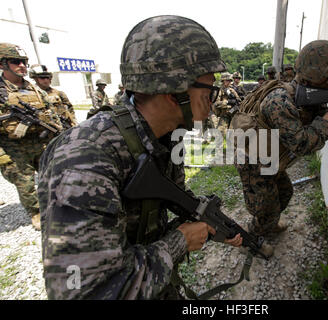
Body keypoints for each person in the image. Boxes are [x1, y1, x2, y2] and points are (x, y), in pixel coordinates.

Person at [38, 15, 242, 300]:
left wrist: (203, 222)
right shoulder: (84, 157)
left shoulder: (167, 136)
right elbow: (88, 293)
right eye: (209, 89)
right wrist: (179, 242)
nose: (214, 99)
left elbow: (153, 214)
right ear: (175, 92)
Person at [231, 40, 328, 255]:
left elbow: (324, 123)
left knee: (285, 192)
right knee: (266, 208)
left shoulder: (306, 97)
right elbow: (302, 144)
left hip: (271, 157)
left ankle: (269, 223)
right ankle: (250, 239)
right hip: (254, 161)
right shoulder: (281, 101)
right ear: (315, 73)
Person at [0, 43, 62, 231]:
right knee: (24, 181)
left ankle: (58, 205)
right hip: (14, 146)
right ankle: (36, 213)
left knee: (52, 175)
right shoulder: (2, 92)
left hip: (41, 141)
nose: (22, 66)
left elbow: (51, 112)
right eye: (16, 62)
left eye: (24, 62)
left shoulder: (35, 90)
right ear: (2, 64)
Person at [29, 64, 77, 129]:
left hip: (63, 127)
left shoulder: (59, 93)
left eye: (48, 77)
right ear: (35, 79)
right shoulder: (32, 95)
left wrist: (74, 123)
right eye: (42, 78)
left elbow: (70, 110)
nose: (46, 80)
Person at [212, 72, 241, 136]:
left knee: (233, 135)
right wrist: (227, 102)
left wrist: (237, 102)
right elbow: (216, 104)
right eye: (227, 80)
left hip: (233, 114)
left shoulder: (232, 90)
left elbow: (238, 100)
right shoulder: (219, 90)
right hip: (224, 114)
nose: (229, 82)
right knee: (220, 133)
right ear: (223, 81)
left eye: (230, 81)